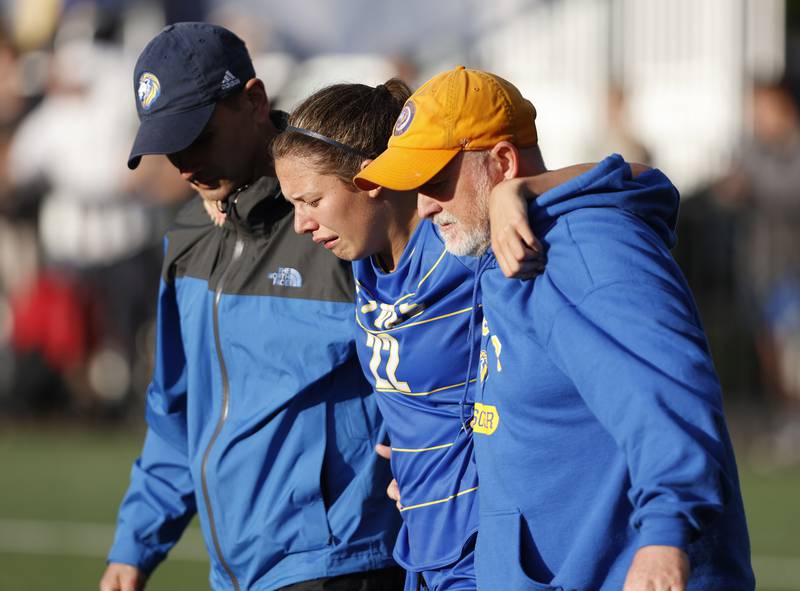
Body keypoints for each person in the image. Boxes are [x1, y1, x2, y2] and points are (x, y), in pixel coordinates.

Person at [354, 66, 754, 591]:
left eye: (435, 182)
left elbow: (666, 400)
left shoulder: (584, 250)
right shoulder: (503, 247)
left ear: (501, 162)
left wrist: (665, 538)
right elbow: (642, 180)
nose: (424, 205)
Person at [99, 23, 403, 591]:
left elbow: (430, 370)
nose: (185, 164)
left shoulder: (347, 218)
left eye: (199, 136)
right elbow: (177, 412)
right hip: (237, 574)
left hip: (345, 563)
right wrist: (135, 544)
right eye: (170, 147)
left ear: (255, 101)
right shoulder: (188, 233)